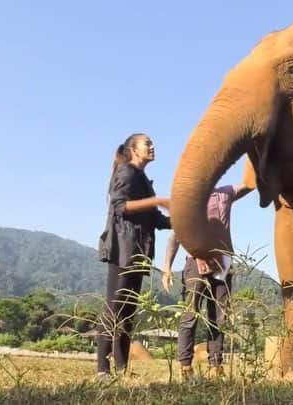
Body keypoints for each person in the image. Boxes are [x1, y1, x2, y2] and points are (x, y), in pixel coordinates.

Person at [97, 133, 171, 379]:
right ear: (133, 149)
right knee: (115, 309)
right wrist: (158, 200)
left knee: (128, 311)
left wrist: (182, 220)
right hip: (123, 249)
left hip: (139, 252)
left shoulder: (142, 179)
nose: (153, 146)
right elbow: (119, 206)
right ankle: (102, 369)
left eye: (152, 142)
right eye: (147, 143)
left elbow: (156, 220)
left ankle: (121, 368)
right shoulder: (127, 172)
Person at [161, 181, 252, 379]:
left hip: (223, 263)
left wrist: (260, 154)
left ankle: (215, 366)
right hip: (196, 263)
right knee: (190, 314)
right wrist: (167, 267)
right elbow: (175, 237)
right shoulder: (188, 201)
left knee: (219, 317)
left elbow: (248, 185)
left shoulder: (225, 193)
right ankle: (185, 366)